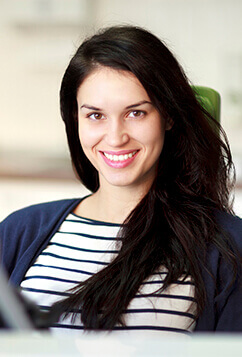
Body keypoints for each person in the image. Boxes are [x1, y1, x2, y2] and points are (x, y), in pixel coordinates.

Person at [0, 25, 241, 335]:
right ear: (75, 120)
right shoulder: (18, 232)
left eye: (136, 113)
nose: (115, 138)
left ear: (167, 116)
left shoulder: (229, 247)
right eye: (95, 115)